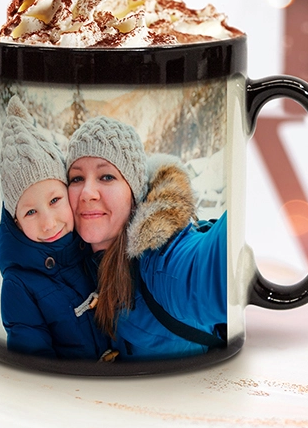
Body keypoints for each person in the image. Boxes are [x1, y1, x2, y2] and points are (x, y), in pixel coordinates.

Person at [66, 116, 227, 361]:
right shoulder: (70, 259)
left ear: (134, 192)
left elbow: (211, 269)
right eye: (77, 178)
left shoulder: (158, 260)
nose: (87, 193)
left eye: (106, 176)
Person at [0, 96, 111, 360]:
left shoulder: (90, 244)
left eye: (55, 200)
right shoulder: (19, 285)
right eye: (31, 212)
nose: (48, 223)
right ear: (16, 221)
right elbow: (34, 362)